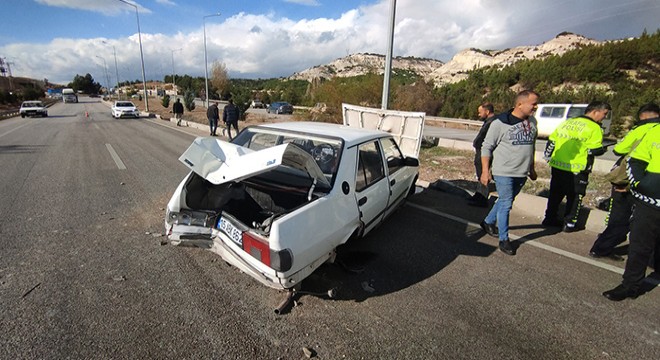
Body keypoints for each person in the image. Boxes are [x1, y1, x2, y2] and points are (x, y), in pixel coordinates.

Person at [589, 103, 660, 260]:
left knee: (620, 218)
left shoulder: (640, 129)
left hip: (629, 181)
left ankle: (601, 248)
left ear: (643, 117)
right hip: (651, 185)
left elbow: (619, 150)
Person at [602, 121, 660, 301]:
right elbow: (636, 160)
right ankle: (630, 286)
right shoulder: (655, 130)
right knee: (639, 245)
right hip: (649, 202)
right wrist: (640, 185)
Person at [479, 90, 539, 256]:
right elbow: (486, 147)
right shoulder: (500, 123)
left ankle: (488, 222)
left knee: (507, 199)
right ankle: (504, 239)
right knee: (506, 203)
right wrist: (485, 171)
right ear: (520, 104)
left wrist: (532, 168)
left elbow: (531, 146)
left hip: (522, 172)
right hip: (503, 171)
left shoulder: (532, 121)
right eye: (533, 103)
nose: (536, 107)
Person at [542, 101, 611, 232]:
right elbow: (595, 150)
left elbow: (552, 141)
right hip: (577, 168)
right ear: (595, 111)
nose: (604, 117)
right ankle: (569, 223)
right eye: (604, 114)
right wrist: (603, 149)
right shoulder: (594, 127)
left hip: (558, 165)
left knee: (555, 194)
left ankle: (549, 218)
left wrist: (548, 157)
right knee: (575, 197)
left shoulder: (568, 122)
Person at [467, 102, 496, 207]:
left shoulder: (493, 123)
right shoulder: (488, 122)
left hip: (485, 153)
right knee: (480, 176)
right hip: (480, 151)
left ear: (487, 111)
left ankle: (482, 199)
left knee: (483, 176)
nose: (479, 115)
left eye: (480, 112)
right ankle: (478, 195)